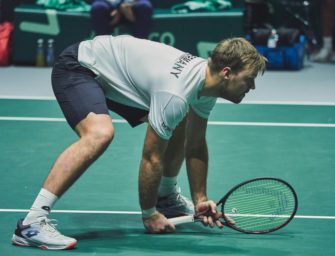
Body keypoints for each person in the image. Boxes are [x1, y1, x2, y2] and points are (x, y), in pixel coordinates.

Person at [11, 35, 266, 250]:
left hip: (112, 75)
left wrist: (200, 199)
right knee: (99, 134)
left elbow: (196, 144)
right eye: (249, 78)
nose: (253, 86)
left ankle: (167, 199)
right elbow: (151, 157)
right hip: (80, 66)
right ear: (227, 73)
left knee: (181, 122)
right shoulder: (175, 93)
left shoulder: (205, 85)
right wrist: (149, 215)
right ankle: (32, 224)